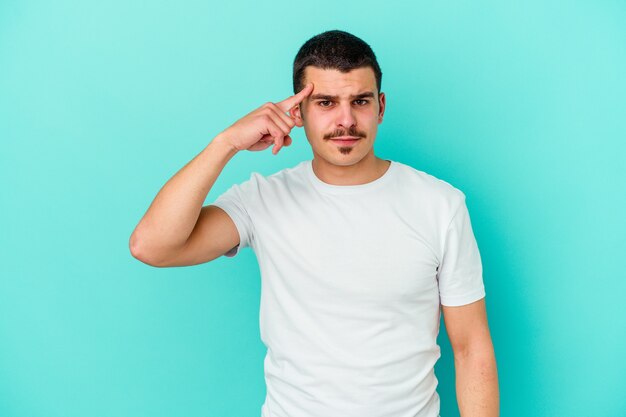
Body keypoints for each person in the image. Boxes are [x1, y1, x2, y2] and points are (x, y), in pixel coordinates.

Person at [129, 29, 499, 417]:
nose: (346, 120)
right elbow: (152, 246)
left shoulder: (440, 205)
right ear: (298, 113)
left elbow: (472, 348)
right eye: (325, 102)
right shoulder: (262, 200)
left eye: (360, 101)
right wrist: (227, 144)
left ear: (381, 106)